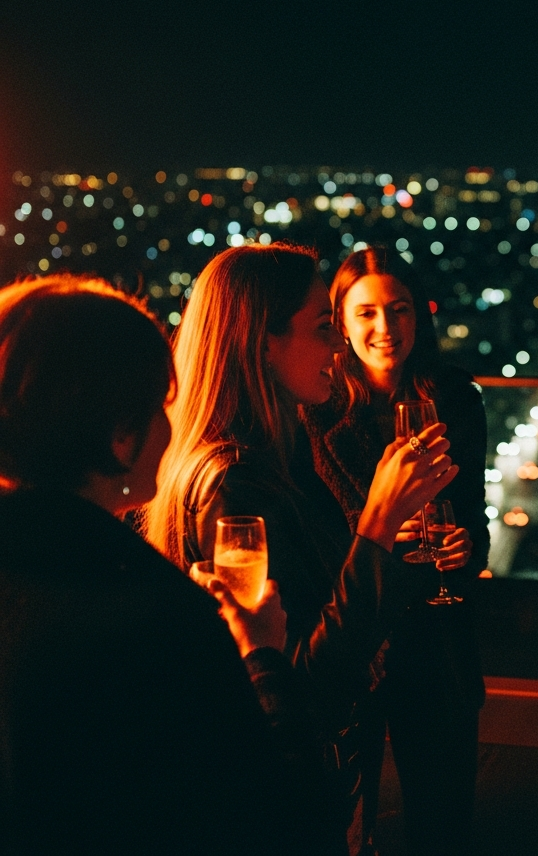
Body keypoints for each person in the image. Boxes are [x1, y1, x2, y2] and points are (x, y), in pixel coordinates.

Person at [144, 243, 458, 848]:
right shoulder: (235, 487)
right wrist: (379, 524)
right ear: (262, 342)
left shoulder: (276, 459)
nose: (341, 348)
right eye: (324, 328)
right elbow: (298, 688)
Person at [0, 275, 321, 854]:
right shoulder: (153, 616)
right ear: (122, 437)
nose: (170, 428)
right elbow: (283, 817)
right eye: (157, 405)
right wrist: (262, 659)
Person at [302, 245, 488, 856]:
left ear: (420, 316)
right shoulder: (315, 406)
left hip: (437, 638)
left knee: (443, 817)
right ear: (340, 324)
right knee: (347, 814)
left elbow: (475, 518)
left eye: (400, 310)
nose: (386, 329)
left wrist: (464, 548)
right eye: (366, 314)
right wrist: (378, 535)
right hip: (357, 634)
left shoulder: (455, 399)